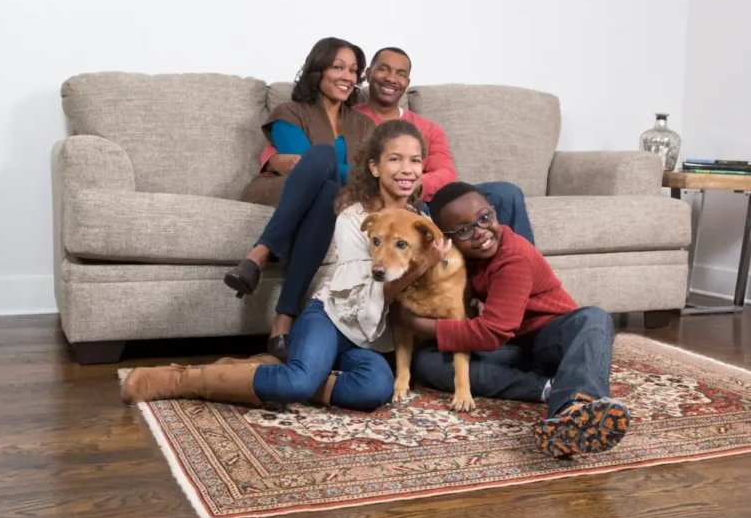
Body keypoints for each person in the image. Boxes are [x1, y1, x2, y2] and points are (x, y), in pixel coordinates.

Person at [121, 120, 448, 412]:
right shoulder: (354, 217)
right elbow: (374, 289)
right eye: (396, 159)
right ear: (375, 167)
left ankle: (267, 371)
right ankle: (185, 380)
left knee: (377, 387)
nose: (407, 168)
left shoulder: (423, 223)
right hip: (331, 320)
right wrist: (422, 267)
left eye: (415, 160)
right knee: (298, 384)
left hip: (367, 339)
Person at [392, 181, 630, 458]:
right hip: (511, 349)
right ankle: (547, 388)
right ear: (448, 240)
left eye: (484, 218)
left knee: (594, 318)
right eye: (465, 230)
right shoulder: (459, 260)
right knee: (428, 362)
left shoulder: (512, 257)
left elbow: (491, 333)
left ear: (493, 212)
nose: (480, 233)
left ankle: (574, 408)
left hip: (546, 339)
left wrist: (411, 322)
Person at [255, 46, 536, 243]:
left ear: (407, 82)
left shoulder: (428, 127)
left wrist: (413, 183)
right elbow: (312, 147)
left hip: (426, 195)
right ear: (368, 74)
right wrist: (271, 158)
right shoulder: (352, 118)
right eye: (384, 70)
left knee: (506, 194)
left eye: (400, 74)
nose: (392, 78)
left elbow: (447, 174)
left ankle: (523, 283)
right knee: (413, 213)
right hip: (393, 200)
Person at [226, 37, 378, 362]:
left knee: (327, 192)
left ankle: (264, 272)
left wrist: (335, 170)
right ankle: (267, 272)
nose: (347, 77)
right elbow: (300, 165)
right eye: (338, 67)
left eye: (354, 70)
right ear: (317, 70)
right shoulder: (289, 112)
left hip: (329, 196)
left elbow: (369, 174)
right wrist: (340, 169)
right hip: (279, 189)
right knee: (320, 158)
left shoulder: (364, 124)